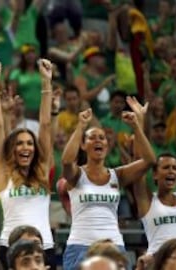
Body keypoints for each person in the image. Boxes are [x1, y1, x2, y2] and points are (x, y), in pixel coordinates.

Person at [61, 97, 156, 270]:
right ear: (83, 145)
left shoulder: (117, 175)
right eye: (92, 138)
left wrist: (136, 125)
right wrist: (81, 126)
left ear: (107, 145)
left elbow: (149, 160)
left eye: (102, 138)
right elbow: (67, 161)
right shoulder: (76, 174)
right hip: (81, 245)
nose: (98, 140)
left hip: (114, 246)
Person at [0, 59, 55, 269]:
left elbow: (45, 124)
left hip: (44, 245)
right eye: (19, 144)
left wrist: (46, 82)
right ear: (12, 149)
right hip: (9, 246)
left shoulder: (42, 169)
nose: (25, 147)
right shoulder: (3, 172)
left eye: (29, 143)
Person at [131, 97, 176, 255]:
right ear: (155, 174)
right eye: (166, 168)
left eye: (175, 168)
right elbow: (137, 162)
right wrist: (139, 123)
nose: (172, 171)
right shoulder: (147, 200)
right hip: (156, 262)